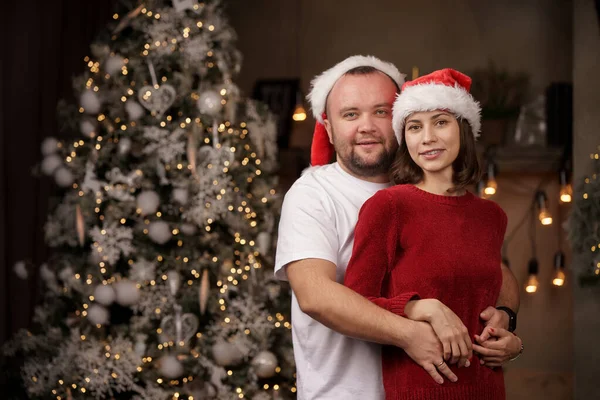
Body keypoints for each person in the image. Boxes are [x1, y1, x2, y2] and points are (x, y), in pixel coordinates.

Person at [274, 56, 521, 400]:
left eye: (380, 112)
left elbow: (494, 269)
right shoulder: (312, 193)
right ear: (328, 128)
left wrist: (506, 317)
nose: (367, 126)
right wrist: (410, 330)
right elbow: (316, 297)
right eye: (350, 114)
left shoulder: (430, 187)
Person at [344, 68, 515, 399]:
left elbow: (490, 300)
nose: (427, 138)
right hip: (421, 387)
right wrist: (416, 307)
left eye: (440, 122)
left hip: (488, 387)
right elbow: (357, 301)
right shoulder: (389, 206)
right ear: (404, 138)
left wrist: (511, 339)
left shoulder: (491, 216)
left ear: (463, 129)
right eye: (414, 127)